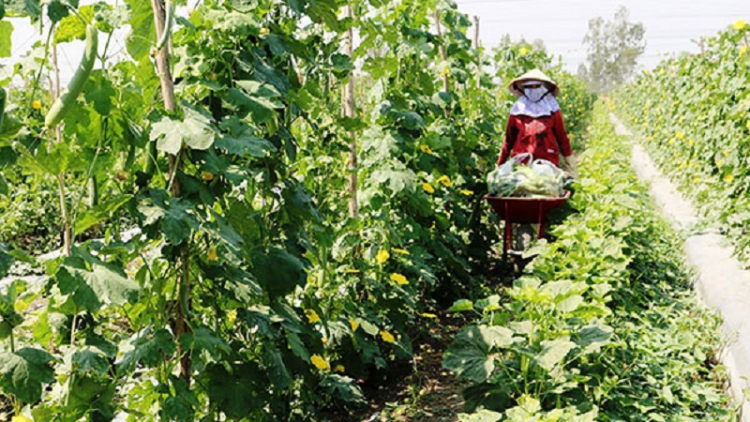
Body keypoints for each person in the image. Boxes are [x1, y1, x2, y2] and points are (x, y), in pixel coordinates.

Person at [497, 69, 576, 176]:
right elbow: (508, 140)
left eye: (537, 86)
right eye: (529, 87)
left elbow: (562, 137)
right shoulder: (518, 111)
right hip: (521, 165)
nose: (533, 90)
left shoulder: (552, 110)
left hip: (547, 163)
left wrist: (571, 165)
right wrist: (499, 165)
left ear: (544, 88)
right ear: (523, 89)